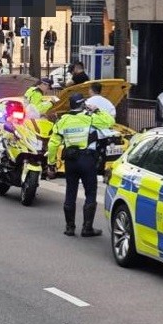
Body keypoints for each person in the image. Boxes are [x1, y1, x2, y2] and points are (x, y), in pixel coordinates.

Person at [46, 93, 114, 237]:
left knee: (70, 192)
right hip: (87, 160)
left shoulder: (62, 121)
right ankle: (87, 228)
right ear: (82, 104)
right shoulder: (90, 118)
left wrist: (51, 164)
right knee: (90, 192)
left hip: (70, 161)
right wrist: (96, 110)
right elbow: (109, 121)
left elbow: (52, 145)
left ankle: (70, 228)